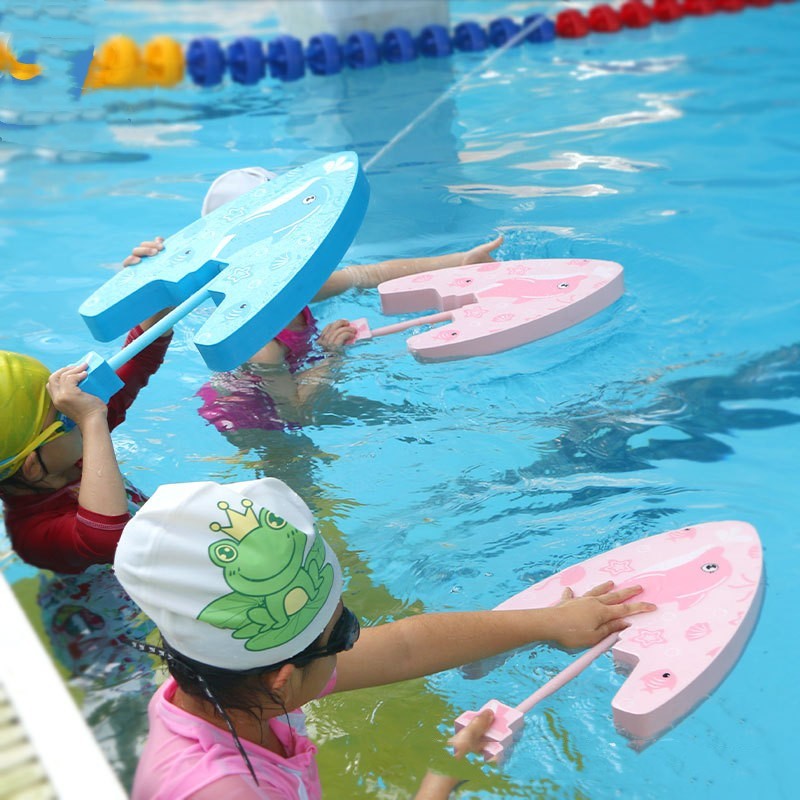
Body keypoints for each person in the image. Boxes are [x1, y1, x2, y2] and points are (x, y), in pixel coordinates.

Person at [114, 477, 656, 799]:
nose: (356, 640)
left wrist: (546, 623)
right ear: (282, 677)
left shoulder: (229, 686)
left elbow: (405, 647)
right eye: (344, 632)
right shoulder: (218, 789)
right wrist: (444, 776)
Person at [124, 167, 503, 434]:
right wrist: (333, 358)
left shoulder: (289, 288)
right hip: (255, 422)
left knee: (414, 418)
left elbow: (371, 275)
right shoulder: (260, 344)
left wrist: (460, 261)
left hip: (291, 382)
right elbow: (296, 414)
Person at [0, 304, 172, 573]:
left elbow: (138, 362)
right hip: (118, 605)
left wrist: (161, 296)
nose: (76, 411)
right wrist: (91, 419)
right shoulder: (33, 534)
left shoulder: (70, 444)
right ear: (32, 465)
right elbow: (106, 537)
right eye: (66, 415)